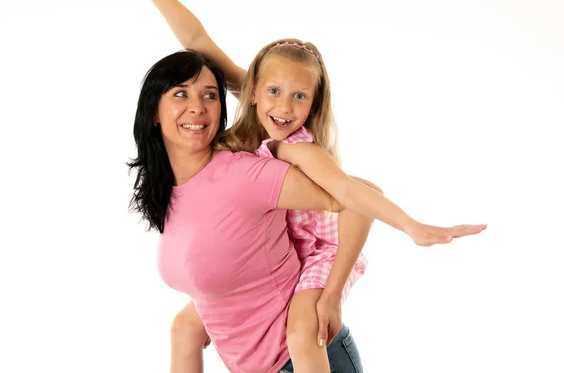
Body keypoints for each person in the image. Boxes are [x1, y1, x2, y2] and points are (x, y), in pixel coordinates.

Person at [127, 49, 486, 373]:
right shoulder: (189, 181)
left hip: (306, 324)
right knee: (183, 325)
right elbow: (197, 39)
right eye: (180, 94)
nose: (198, 106)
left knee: (302, 332)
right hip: (266, 340)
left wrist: (411, 227)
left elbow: (352, 193)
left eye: (209, 95)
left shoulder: (272, 158)